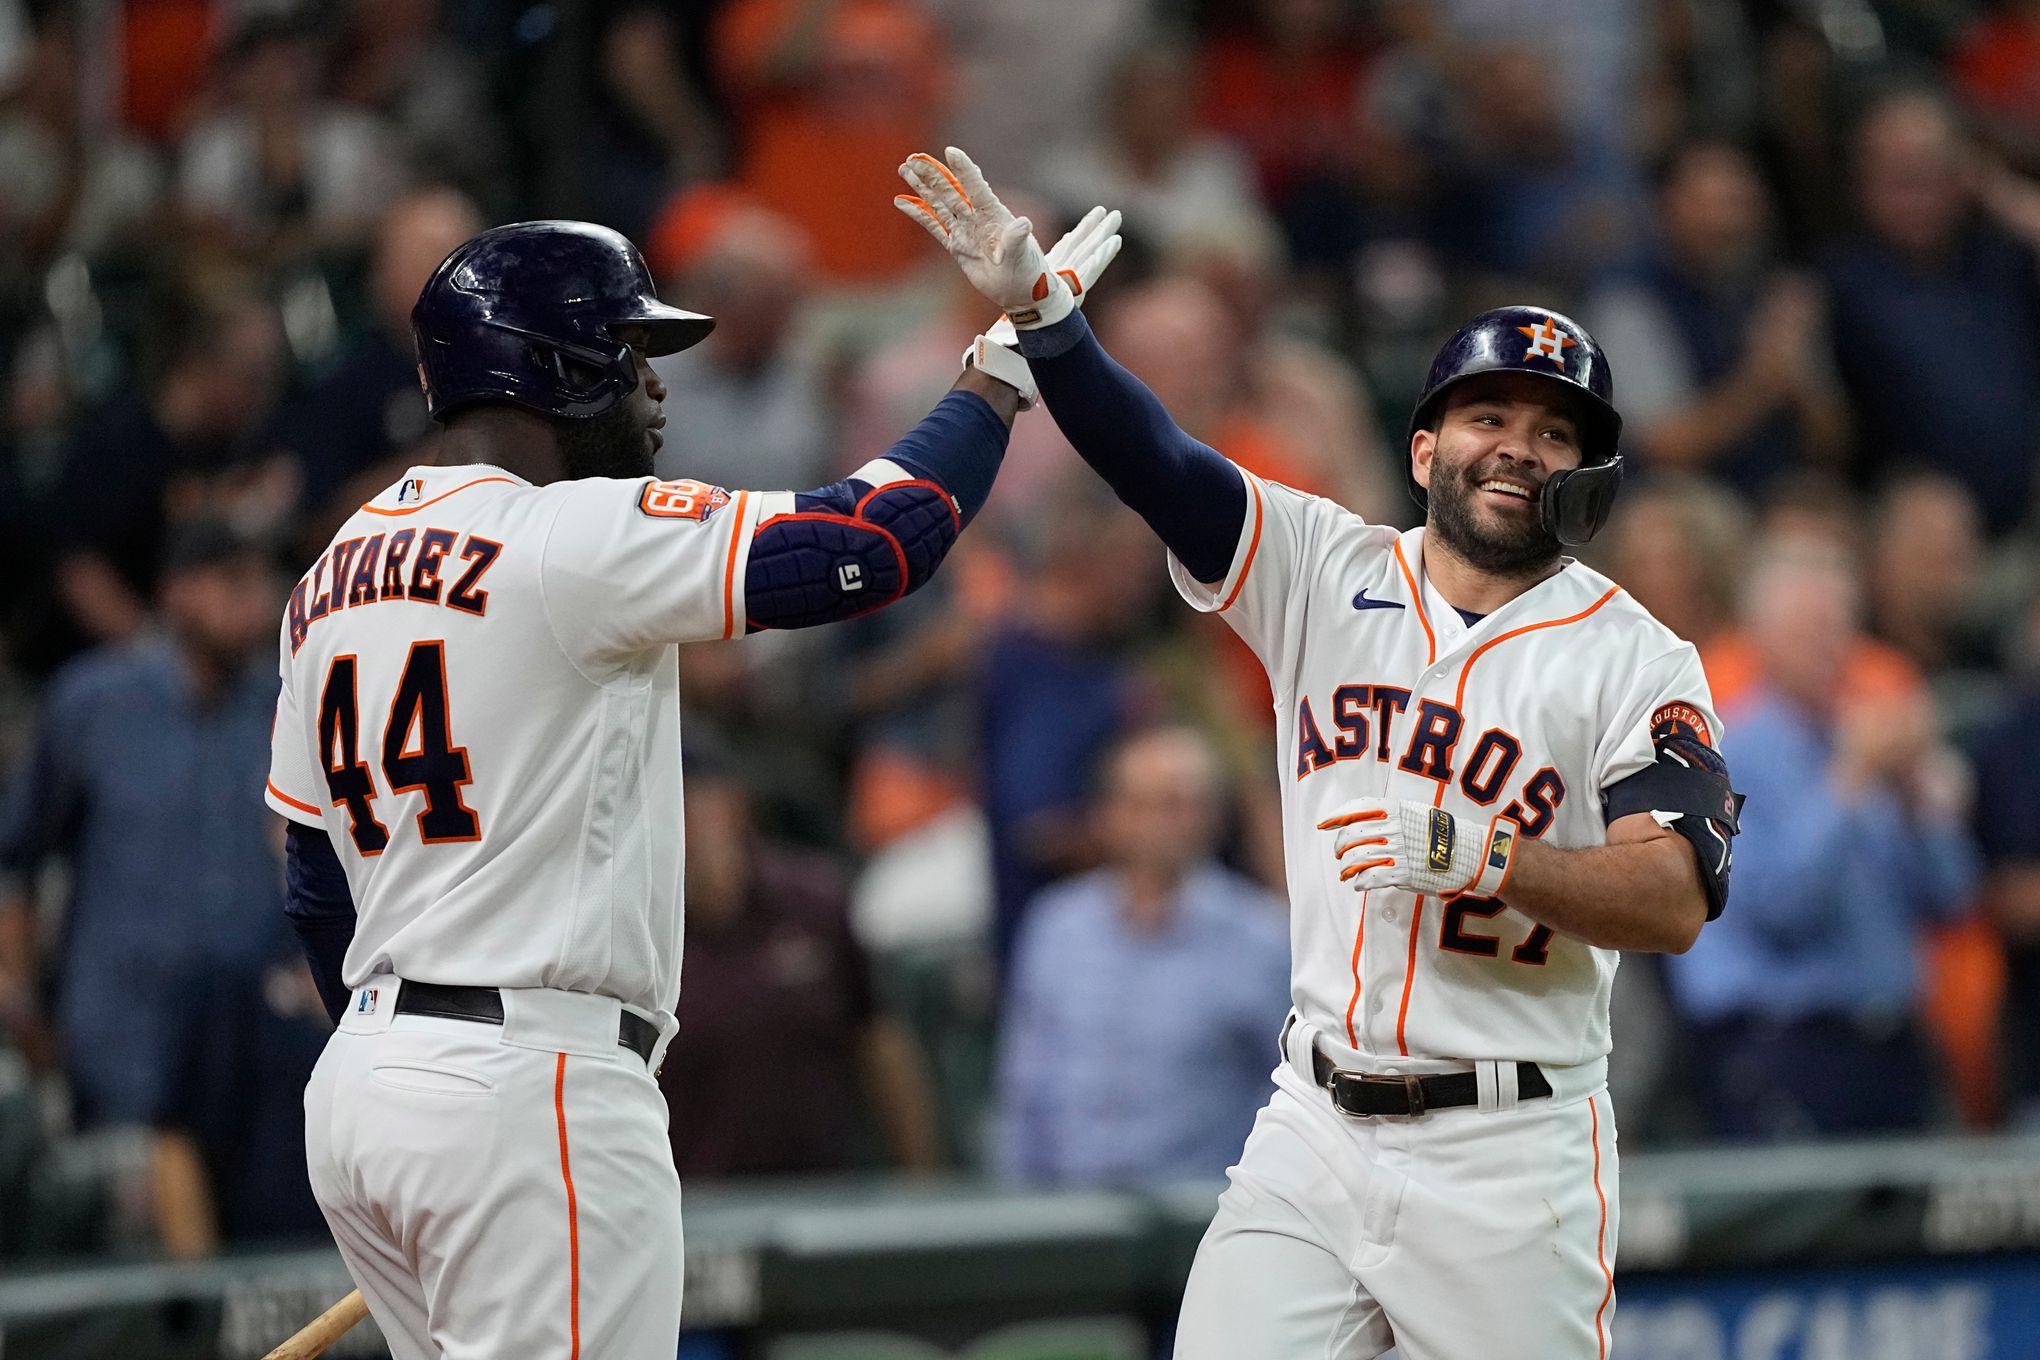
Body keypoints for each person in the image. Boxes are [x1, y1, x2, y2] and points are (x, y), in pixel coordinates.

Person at [899, 147, 1742, 1359]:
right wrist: (1047, 322)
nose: (1518, 446)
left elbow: (1671, 900)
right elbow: (1158, 463)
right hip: (1315, 1125)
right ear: (1422, 449)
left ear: (1588, 474)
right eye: (1489, 415)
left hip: (1510, 1150)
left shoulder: (1637, 657)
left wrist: (1488, 853)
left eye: (1556, 432)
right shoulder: (1326, 565)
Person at [265, 213, 1118, 1357]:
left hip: (371, 1083)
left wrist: (414, 1073)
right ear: (551, 368)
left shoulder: (330, 571)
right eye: (630, 355)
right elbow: (875, 538)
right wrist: (1007, 364)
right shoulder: (568, 534)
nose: (658, 393)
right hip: (529, 1080)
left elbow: (318, 880)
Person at [1664, 544, 1977, 1139]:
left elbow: (1953, 896)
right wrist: (1850, 783)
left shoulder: (1866, 740)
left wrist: (1917, 800)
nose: (1831, 646)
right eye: (1810, 628)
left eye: (1840, 627)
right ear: (1759, 637)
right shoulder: (1722, 757)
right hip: (1786, 1051)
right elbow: (1782, 910)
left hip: (1894, 1047)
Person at [995, 725, 1289, 1186]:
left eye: (1176, 803)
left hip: (1202, 1215)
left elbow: (1285, 1095)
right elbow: (1024, 1085)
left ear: (1212, 816)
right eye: (1140, 803)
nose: (1158, 822)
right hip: (1065, 1214)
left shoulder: (1264, 939)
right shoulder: (1056, 926)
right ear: (1107, 814)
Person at [659, 740, 942, 1178]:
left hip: (822, 1202)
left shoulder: (813, 903)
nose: (687, 825)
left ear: (735, 804)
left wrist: (923, 1176)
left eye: (695, 803)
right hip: (690, 1206)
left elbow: (879, 1040)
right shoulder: (632, 931)